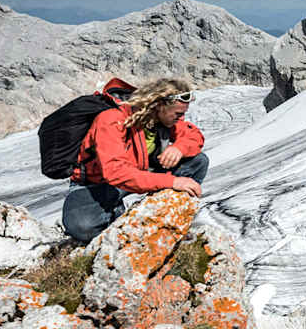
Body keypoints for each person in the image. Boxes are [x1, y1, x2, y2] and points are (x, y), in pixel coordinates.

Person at [62, 78, 209, 242]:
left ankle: (167, 219)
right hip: (98, 184)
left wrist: (179, 148)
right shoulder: (111, 118)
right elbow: (115, 172)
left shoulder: (163, 117)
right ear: (159, 105)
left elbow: (193, 135)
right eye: (178, 114)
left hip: (137, 174)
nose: (181, 118)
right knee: (82, 226)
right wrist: (172, 182)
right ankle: (116, 215)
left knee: (198, 161)